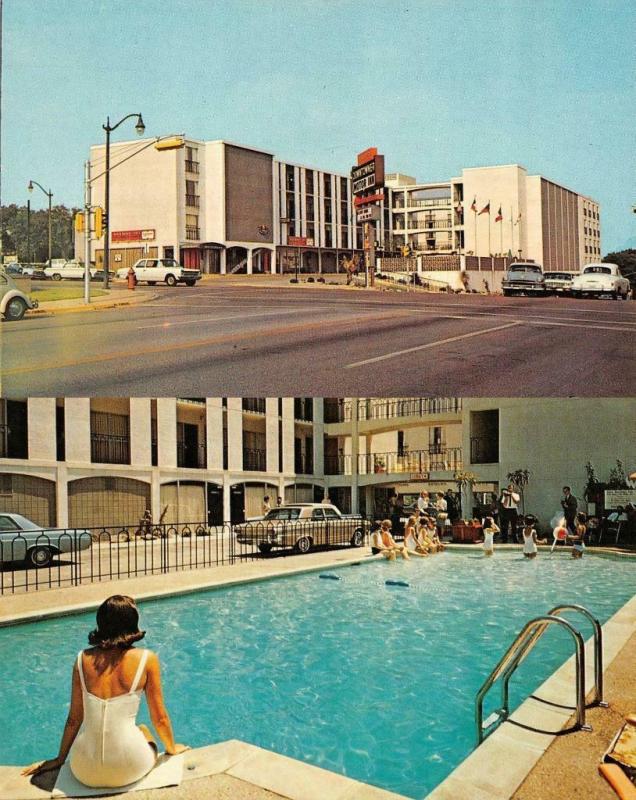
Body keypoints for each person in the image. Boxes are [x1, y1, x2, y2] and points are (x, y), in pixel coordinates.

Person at [22, 595, 188, 787]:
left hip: (83, 769)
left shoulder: (82, 659)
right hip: (129, 767)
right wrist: (171, 749)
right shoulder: (146, 659)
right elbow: (159, 718)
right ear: (132, 622)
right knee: (143, 729)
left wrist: (60, 759)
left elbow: (74, 719)